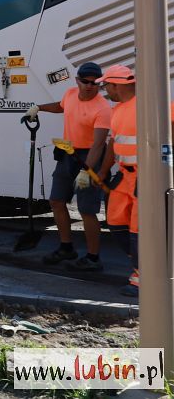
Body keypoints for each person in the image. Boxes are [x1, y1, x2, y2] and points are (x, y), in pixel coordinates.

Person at [24, 62, 111, 271]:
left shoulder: (102, 108)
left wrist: (86, 170)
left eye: (95, 83)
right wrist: (39, 108)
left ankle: (93, 258)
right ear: (77, 80)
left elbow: (99, 144)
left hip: (89, 157)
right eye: (86, 82)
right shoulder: (71, 94)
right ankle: (66, 247)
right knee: (56, 200)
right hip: (67, 153)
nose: (90, 86)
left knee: (87, 210)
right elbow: (62, 106)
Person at [94, 64, 140, 296]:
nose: (104, 90)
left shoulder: (149, 106)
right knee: (116, 223)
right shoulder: (118, 109)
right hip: (125, 176)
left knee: (138, 231)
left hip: (145, 177)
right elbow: (113, 143)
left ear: (116, 85)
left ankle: (142, 279)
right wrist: (103, 170)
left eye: (106, 85)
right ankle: (146, 266)